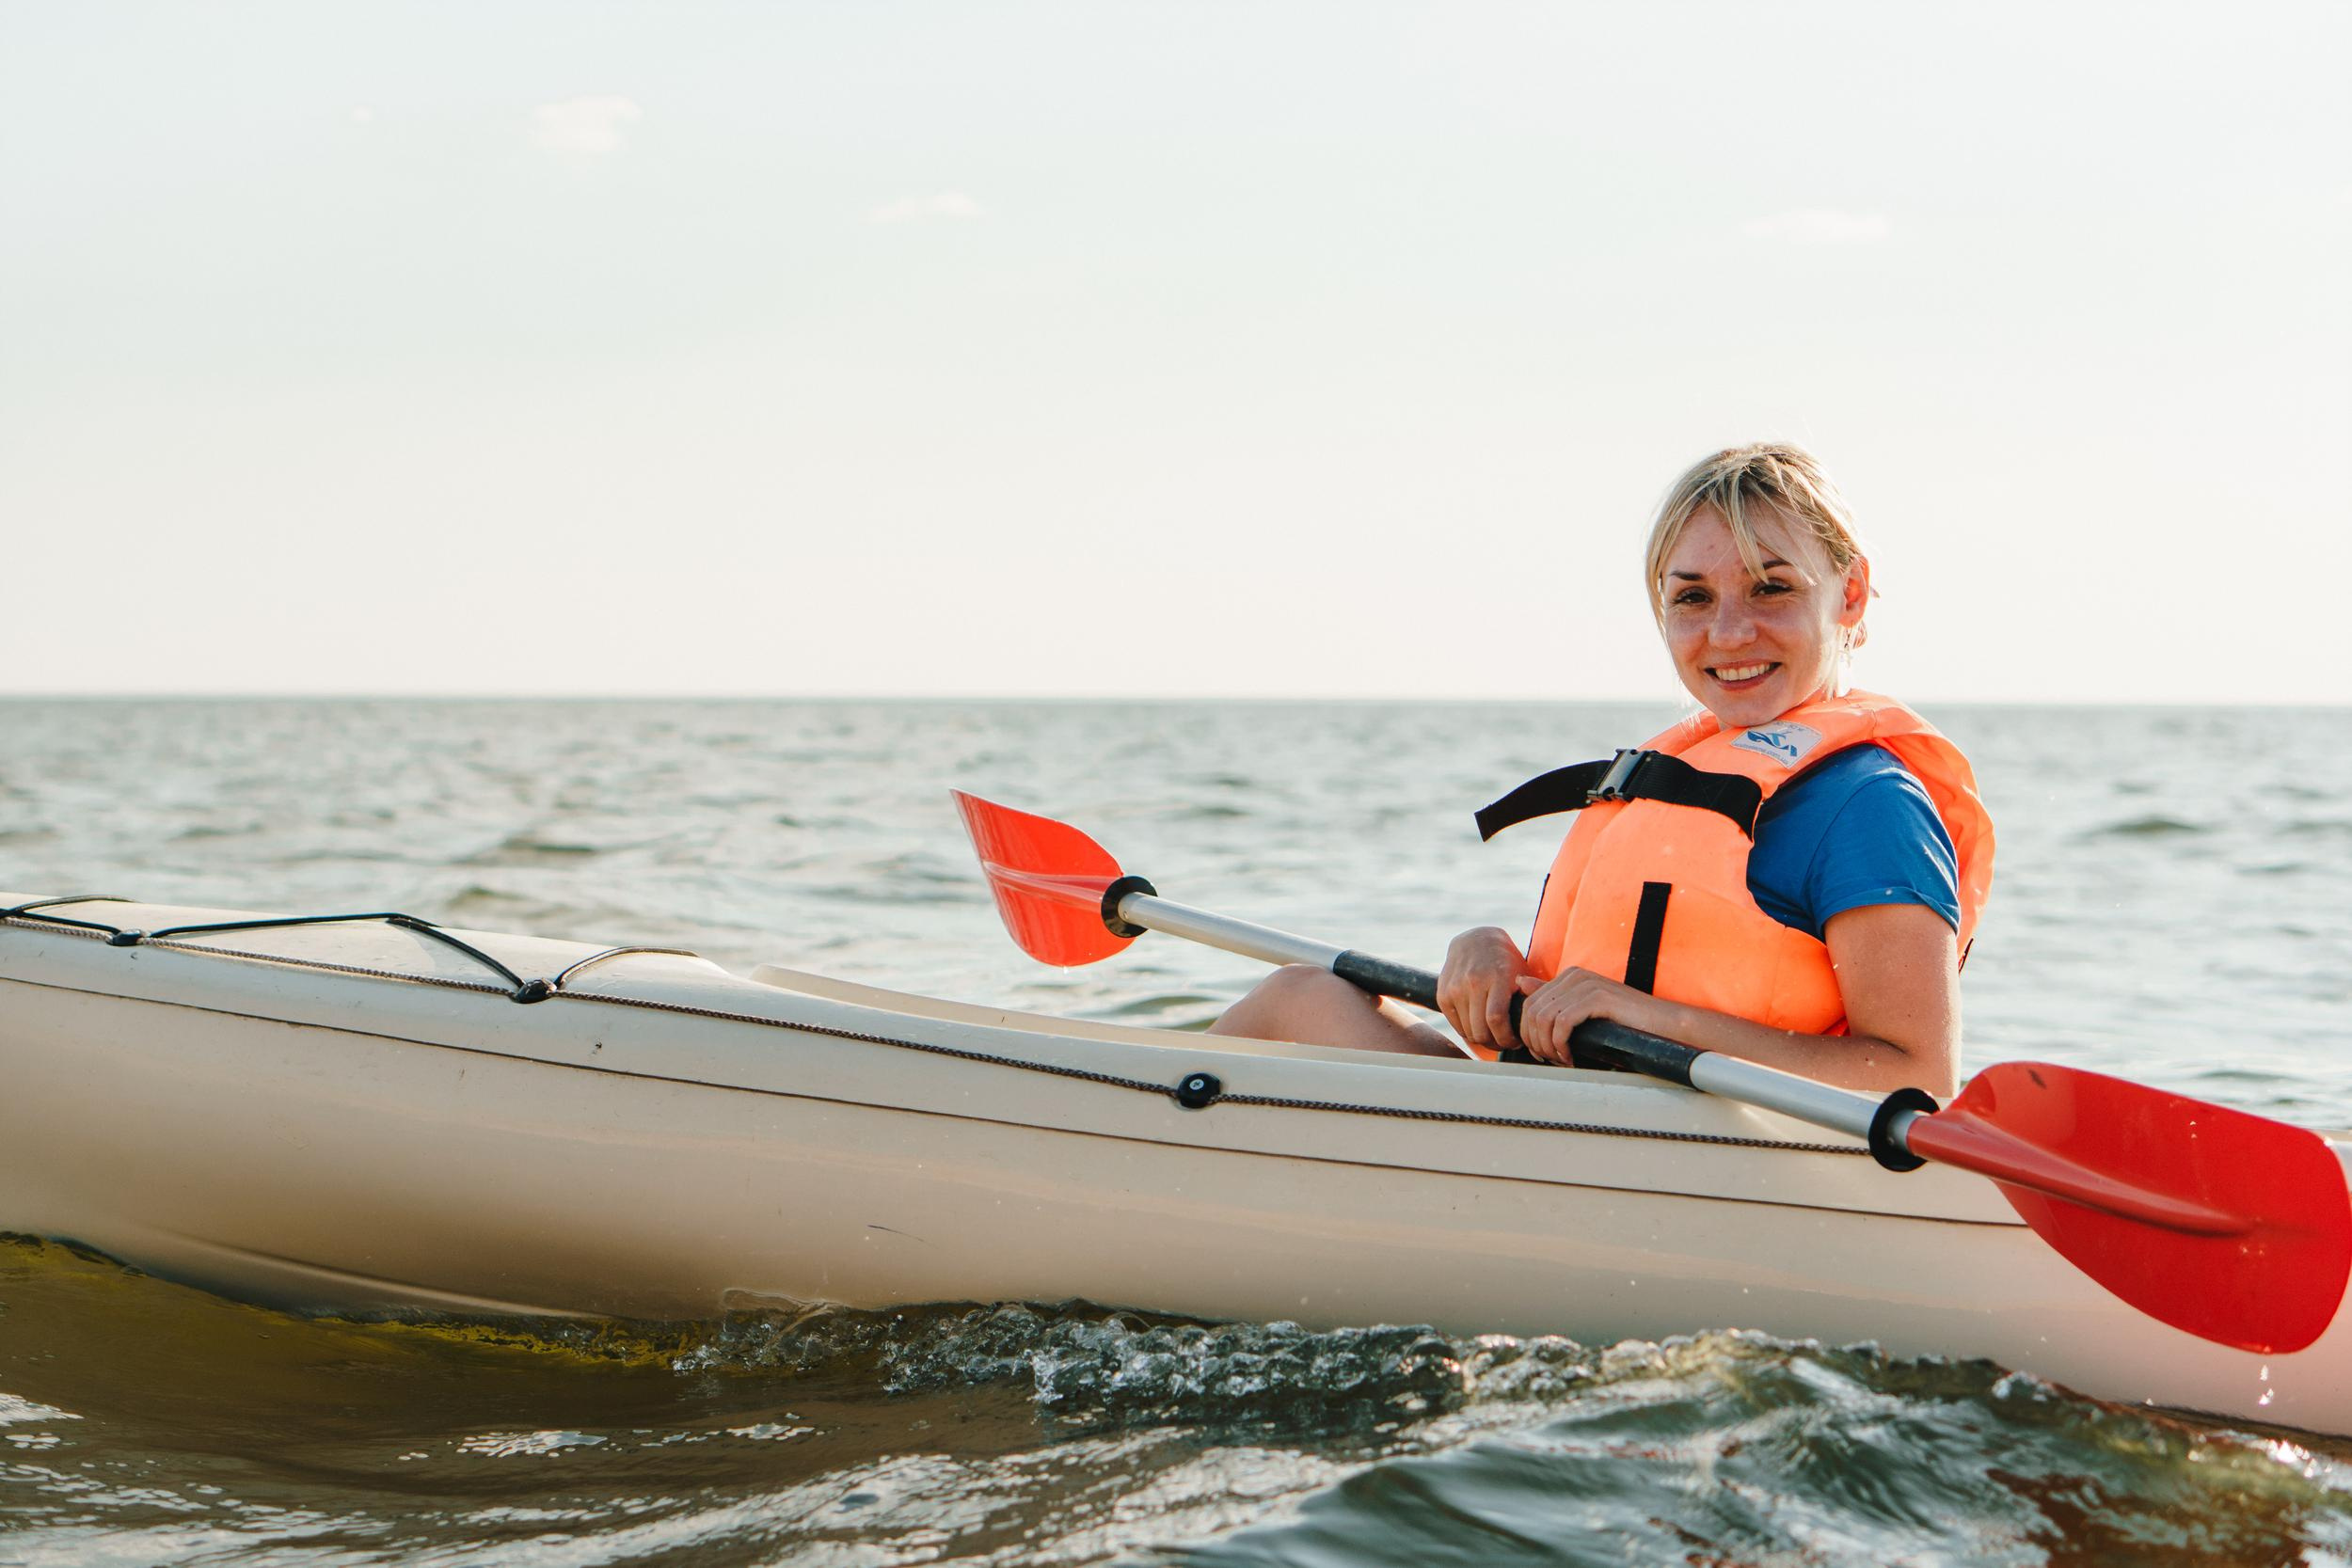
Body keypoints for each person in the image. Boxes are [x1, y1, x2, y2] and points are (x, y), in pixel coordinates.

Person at [1207, 443, 1993, 1099]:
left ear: (1850, 594)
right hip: (1568, 1125)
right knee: (1302, 999)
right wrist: (1490, 962)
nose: (1728, 631)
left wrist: (1654, 1019)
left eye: (1771, 587)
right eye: (1692, 596)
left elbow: (1915, 1078)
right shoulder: (1677, 771)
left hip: (1697, 1168)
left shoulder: (1868, 804)